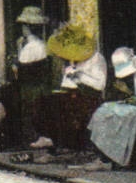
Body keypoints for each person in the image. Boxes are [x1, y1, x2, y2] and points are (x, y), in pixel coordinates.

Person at [30, 23, 107, 152]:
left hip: (89, 96)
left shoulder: (96, 58)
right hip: (69, 94)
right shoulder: (72, 59)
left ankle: (64, 145)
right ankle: (49, 138)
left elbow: (100, 85)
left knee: (64, 108)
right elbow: (66, 84)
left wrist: (79, 77)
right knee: (42, 101)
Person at [8, 7, 54, 146]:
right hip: (41, 85)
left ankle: (33, 139)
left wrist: (14, 62)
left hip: (30, 86)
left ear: (27, 28)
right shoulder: (42, 45)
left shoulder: (30, 47)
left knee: (29, 113)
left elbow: (20, 70)